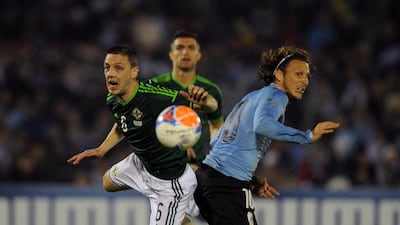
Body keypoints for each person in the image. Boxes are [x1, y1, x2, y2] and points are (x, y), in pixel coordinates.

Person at [67, 44, 218, 225]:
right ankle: (182, 220)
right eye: (107, 68)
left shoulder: (155, 98)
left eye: (118, 68)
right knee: (107, 183)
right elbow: (123, 122)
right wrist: (101, 150)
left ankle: (181, 216)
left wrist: (207, 99)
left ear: (134, 72)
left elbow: (210, 106)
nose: (110, 74)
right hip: (140, 163)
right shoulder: (113, 99)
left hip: (169, 183)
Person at [194, 46, 341, 225]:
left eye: (307, 76)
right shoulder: (277, 95)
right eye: (299, 74)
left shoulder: (251, 97)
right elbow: (263, 124)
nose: (305, 81)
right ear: (279, 75)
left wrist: (252, 181)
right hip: (227, 185)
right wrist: (307, 136)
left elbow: (218, 141)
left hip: (207, 179)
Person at [152, 30, 224, 225]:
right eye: (180, 48)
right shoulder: (155, 88)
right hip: (165, 171)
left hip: (197, 169)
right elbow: (144, 132)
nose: (185, 52)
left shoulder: (210, 91)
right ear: (171, 54)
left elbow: (217, 126)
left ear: (198, 55)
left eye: (191, 48)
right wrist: (173, 148)